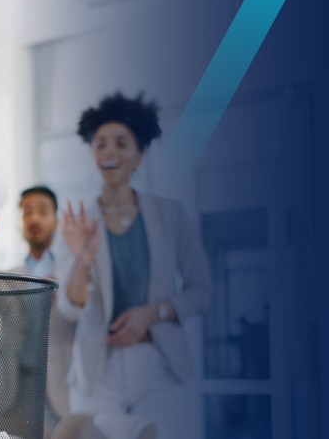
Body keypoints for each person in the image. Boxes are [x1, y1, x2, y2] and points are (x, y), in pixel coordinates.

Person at [57, 93, 213, 439]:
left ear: (139, 154)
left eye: (121, 143)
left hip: (159, 364)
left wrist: (154, 311)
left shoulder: (170, 215)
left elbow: (203, 291)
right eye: (100, 145)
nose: (109, 152)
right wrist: (82, 263)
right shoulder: (77, 224)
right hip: (99, 369)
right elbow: (69, 306)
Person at [0, 186, 78, 439]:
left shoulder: (72, 273)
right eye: (27, 212)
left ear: (56, 220)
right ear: (20, 221)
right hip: (10, 388)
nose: (34, 218)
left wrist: (66, 290)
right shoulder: (13, 275)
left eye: (43, 211)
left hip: (59, 389)